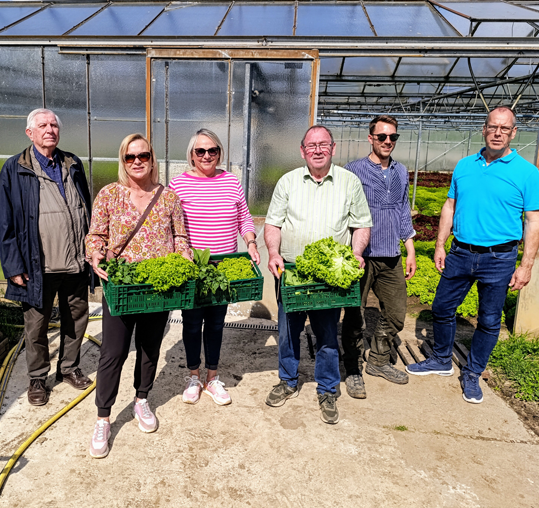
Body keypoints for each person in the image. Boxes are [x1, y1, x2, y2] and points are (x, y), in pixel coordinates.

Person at [406, 106, 539, 404]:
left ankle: (472, 372)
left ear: (513, 133)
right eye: (493, 127)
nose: (497, 133)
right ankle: (442, 359)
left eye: (504, 129)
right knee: (441, 308)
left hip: (499, 258)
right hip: (461, 252)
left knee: (490, 319)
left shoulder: (527, 173)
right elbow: (449, 206)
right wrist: (441, 244)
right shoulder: (465, 165)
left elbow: (534, 220)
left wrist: (526, 265)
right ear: (484, 129)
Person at [85, 133, 191, 458]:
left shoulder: (168, 197)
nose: (137, 162)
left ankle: (141, 400)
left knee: (149, 347)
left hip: (157, 290)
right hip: (121, 287)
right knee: (113, 353)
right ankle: (103, 417)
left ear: (152, 158)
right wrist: (95, 254)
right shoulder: (109, 195)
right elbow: (95, 235)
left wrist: (184, 255)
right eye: (130, 157)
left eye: (143, 155)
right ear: (123, 160)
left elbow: (180, 236)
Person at [264, 125, 372, 424]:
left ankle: (327, 388)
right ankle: (287, 380)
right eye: (311, 145)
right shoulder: (288, 182)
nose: (317, 150)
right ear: (302, 151)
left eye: (323, 144)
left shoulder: (349, 183)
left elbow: (362, 225)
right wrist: (273, 253)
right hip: (292, 271)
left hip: (329, 277)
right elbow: (272, 224)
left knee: (326, 334)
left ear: (333, 148)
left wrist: (357, 253)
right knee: (288, 331)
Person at [0, 108, 93, 407]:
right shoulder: (15, 169)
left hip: (76, 261)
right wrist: (13, 266)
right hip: (38, 266)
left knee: (76, 318)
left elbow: (85, 207)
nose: (49, 129)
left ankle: (69, 368)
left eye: (53, 125)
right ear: (30, 133)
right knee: (36, 326)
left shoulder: (72, 162)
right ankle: (38, 377)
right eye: (42, 125)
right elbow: (5, 222)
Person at [169, 129, 261, 406]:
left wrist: (252, 242)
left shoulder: (232, 181)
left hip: (224, 267)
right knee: (192, 323)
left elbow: (244, 217)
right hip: (193, 266)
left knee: (217, 324)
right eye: (201, 151)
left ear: (219, 153)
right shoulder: (178, 184)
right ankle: (193, 376)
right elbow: (171, 226)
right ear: (192, 155)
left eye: (213, 151)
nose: (207, 156)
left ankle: (212, 377)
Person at [341, 115, 416, 398]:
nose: (388, 142)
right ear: (370, 138)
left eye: (392, 137)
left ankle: (378, 362)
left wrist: (409, 249)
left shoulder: (400, 171)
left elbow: (402, 210)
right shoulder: (353, 171)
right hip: (361, 256)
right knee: (353, 316)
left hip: (391, 255)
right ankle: (352, 369)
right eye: (382, 137)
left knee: (396, 314)